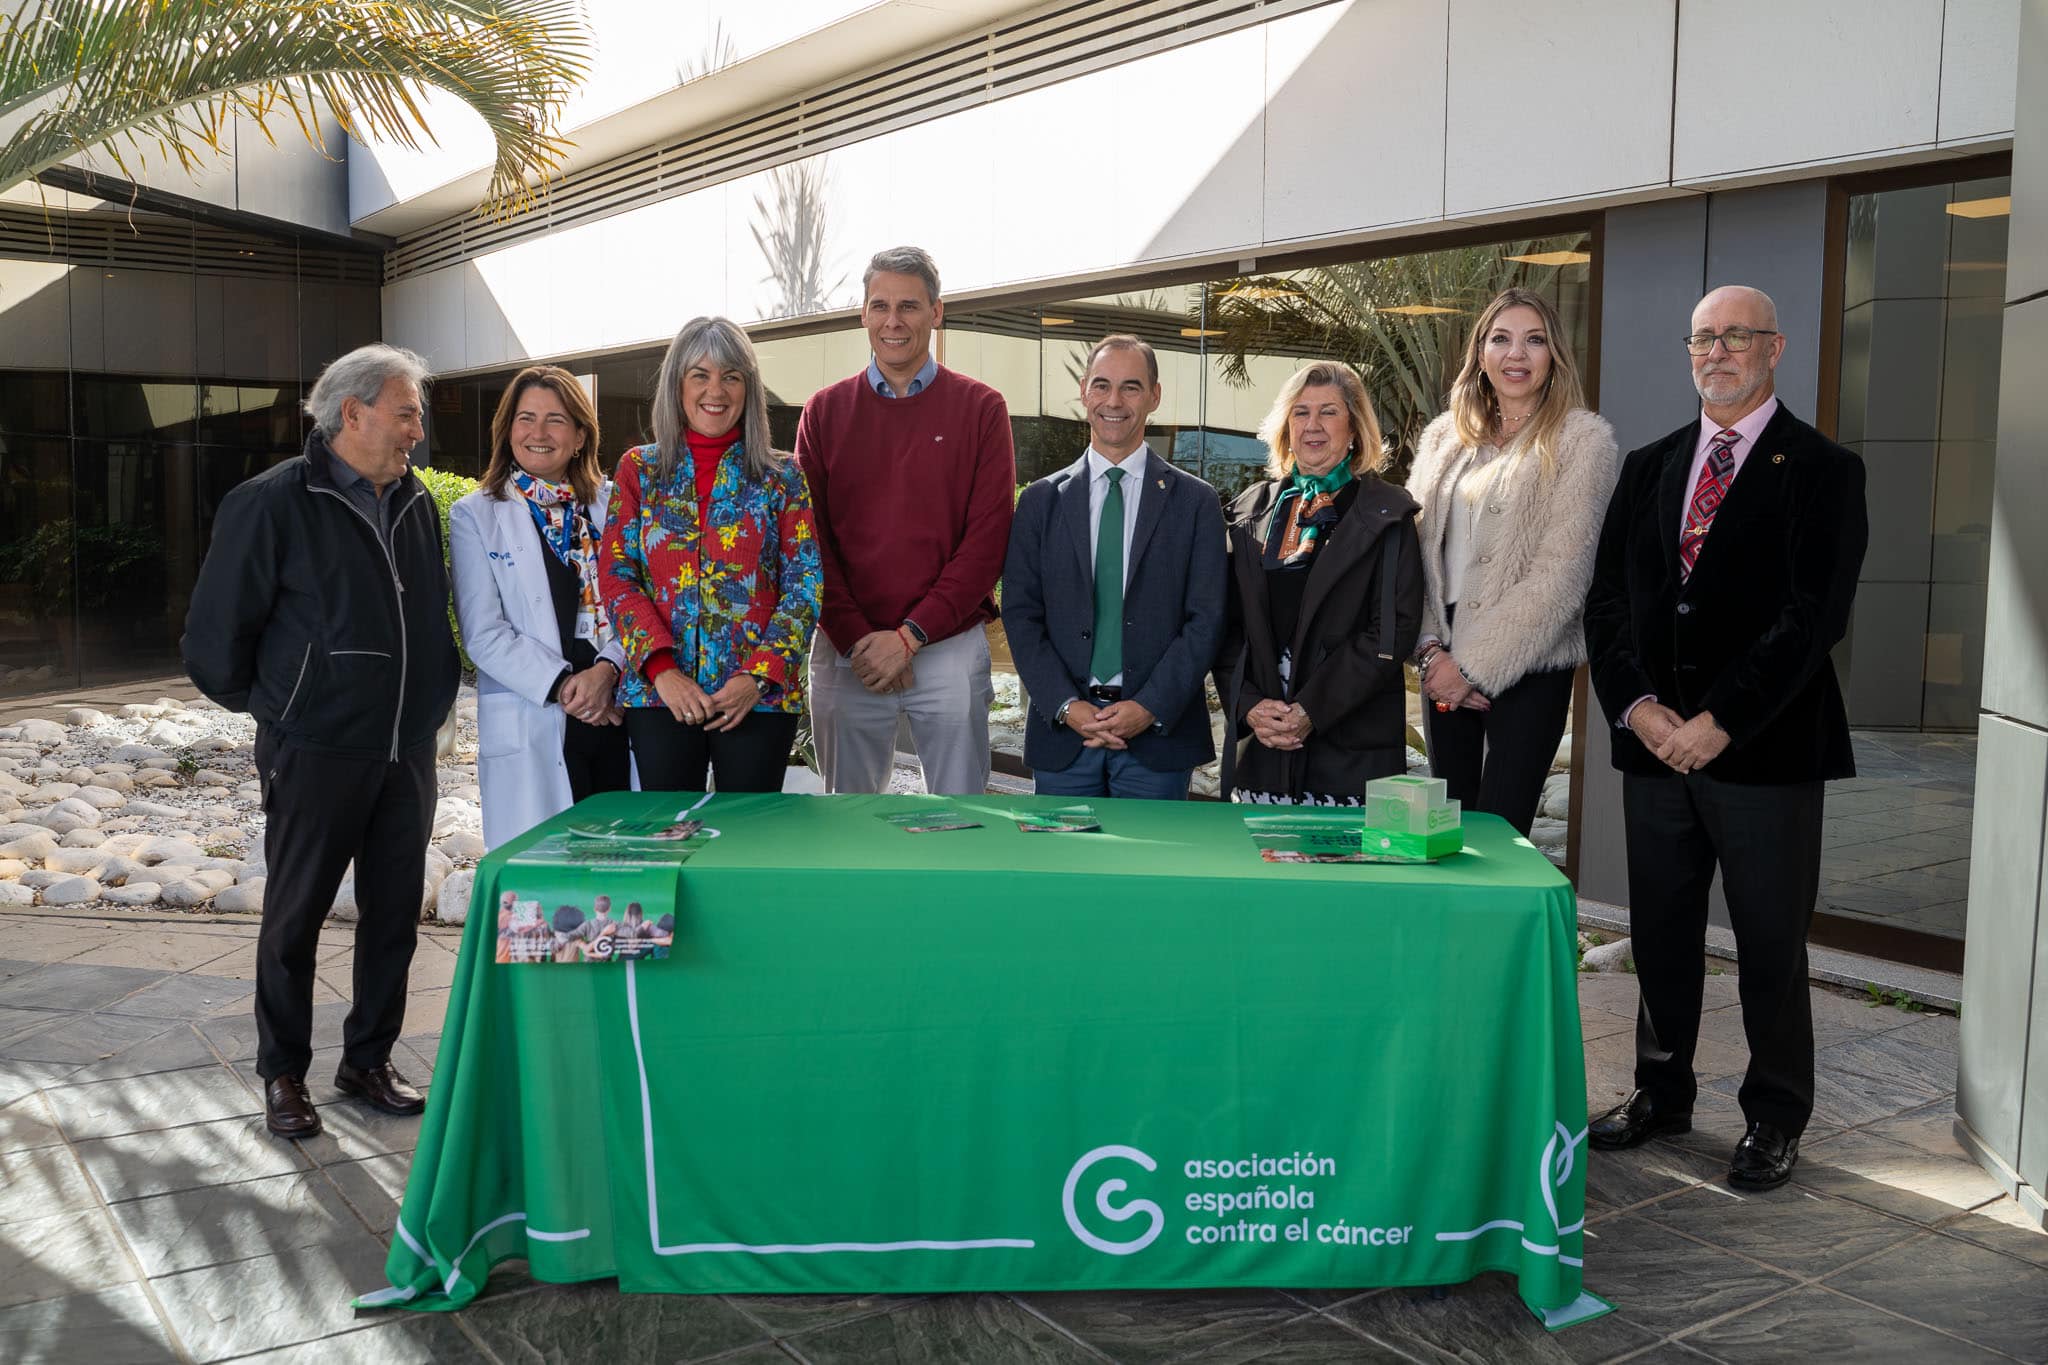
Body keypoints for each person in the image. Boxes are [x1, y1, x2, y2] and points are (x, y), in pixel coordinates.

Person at [1584, 285, 1868, 1191]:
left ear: (1775, 347)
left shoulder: (1823, 468)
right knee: (1661, 932)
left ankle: (1775, 1114)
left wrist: (1720, 720)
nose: (1718, 351)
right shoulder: (1650, 465)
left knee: (1769, 943)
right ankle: (1660, 1092)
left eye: (1737, 335)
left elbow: (1812, 615)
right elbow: (1609, 605)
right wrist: (1641, 709)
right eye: (1703, 337)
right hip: (1655, 750)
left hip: (1765, 753)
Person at [181, 343, 459, 1139]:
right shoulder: (270, 502)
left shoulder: (415, 503)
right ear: (354, 411)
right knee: (295, 916)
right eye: (407, 412)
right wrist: (290, 708)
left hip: (405, 748)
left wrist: (428, 698)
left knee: (394, 916)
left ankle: (367, 1057)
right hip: (316, 746)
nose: (417, 430)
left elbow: (426, 615)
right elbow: (211, 641)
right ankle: (283, 1072)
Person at [796, 245, 1016, 795]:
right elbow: (809, 542)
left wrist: (911, 636)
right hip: (851, 650)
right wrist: (858, 639)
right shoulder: (823, 412)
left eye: (910, 307)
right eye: (881, 306)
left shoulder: (983, 409)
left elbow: (987, 542)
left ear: (937, 312)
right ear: (863, 314)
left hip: (945, 647)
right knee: (849, 825)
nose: (894, 322)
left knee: (960, 820)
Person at [1409, 287, 1619, 835]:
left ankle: (1497, 927)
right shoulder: (1441, 439)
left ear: (1555, 356)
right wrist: (1432, 654)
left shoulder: (1583, 441)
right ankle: (1449, 925)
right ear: (1481, 354)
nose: (1516, 355)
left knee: (1501, 833)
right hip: (1442, 656)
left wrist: (1472, 667)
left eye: (1535, 340)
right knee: (1444, 831)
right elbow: (1413, 557)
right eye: (1501, 339)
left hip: (1530, 662)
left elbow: (1564, 573)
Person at [599, 317, 822, 792]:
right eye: (699, 374)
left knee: (749, 845)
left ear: (749, 388)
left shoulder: (782, 477)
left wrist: (757, 678)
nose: (714, 389)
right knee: (668, 838)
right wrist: (662, 672)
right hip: (661, 697)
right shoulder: (639, 470)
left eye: (731, 375)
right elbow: (618, 577)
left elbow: (804, 585)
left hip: (756, 700)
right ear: (678, 384)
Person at [1002, 335, 1226, 798]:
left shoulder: (1196, 502)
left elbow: (1206, 619)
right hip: (1065, 733)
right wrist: (1066, 705)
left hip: (1157, 737)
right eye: (1102, 386)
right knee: (1063, 870)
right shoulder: (1041, 502)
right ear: (1084, 391)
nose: (1114, 401)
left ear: (1154, 396)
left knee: (1149, 871)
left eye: (1131, 387)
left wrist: (1149, 706)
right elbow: (1021, 614)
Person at [1218, 361, 1422, 804]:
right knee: (1260, 871)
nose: (1312, 425)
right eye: (1300, 412)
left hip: (1350, 750)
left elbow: (1391, 632)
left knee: (1342, 874)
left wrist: (1312, 710)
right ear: (1285, 427)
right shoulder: (1248, 512)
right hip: (1263, 747)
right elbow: (1225, 629)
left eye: (1328, 412)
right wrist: (1250, 705)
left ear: (1354, 428)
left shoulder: (1389, 514)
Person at [450, 366, 629, 848]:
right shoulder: (476, 514)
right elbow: (483, 633)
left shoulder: (617, 505)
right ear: (507, 430)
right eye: (526, 418)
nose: (539, 433)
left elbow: (641, 604)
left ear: (579, 436)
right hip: (541, 709)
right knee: (542, 884)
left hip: (617, 711)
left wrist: (609, 671)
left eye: (556, 420)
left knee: (624, 870)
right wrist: (568, 686)